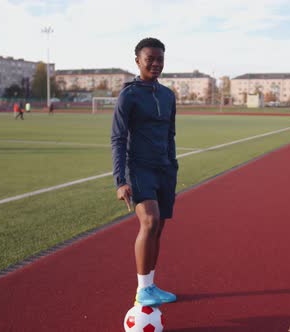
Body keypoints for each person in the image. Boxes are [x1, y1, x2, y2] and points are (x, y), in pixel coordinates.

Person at [111, 37, 178, 307]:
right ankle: (142, 290)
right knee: (149, 221)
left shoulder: (168, 95)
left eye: (160, 58)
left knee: (158, 227)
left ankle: (150, 285)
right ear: (137, 60)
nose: (156, 63)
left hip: (165, 169)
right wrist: (120, 180)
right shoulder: (129, 94)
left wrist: (172, 163)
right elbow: (117, 138)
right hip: (139, 168)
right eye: (150, 58)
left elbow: (170, 133)